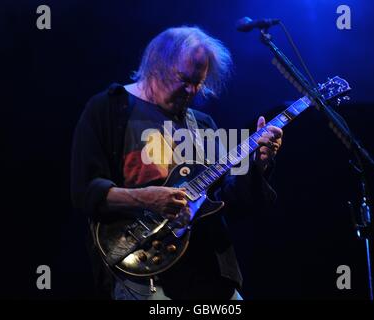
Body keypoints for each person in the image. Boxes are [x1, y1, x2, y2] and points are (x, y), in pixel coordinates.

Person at [71, 26, 283, 300]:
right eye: (184, 79)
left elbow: (230, 200)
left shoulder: (202, 124)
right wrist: (146, 199)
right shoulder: (109, 109)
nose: (192, 90)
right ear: (156, 65)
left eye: (199, 82)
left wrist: (259, 164)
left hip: (210, 272)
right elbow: (84, 191)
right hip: (144, 272)